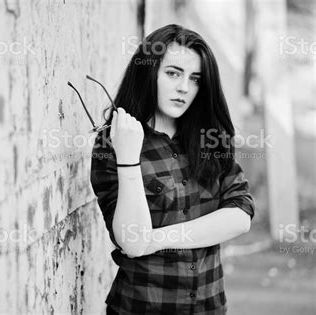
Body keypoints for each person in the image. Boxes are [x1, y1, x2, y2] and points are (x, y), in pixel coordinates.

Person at [90, 24, 255, 314]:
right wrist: (128, 158)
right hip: (141, 307)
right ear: (148, 72)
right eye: (173, 73)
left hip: (210, 306)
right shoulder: (113, 144)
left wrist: (154, 240)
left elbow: (240, 215)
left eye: (195, 79)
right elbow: (130, 239)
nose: (184, 88)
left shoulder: (209, 137)